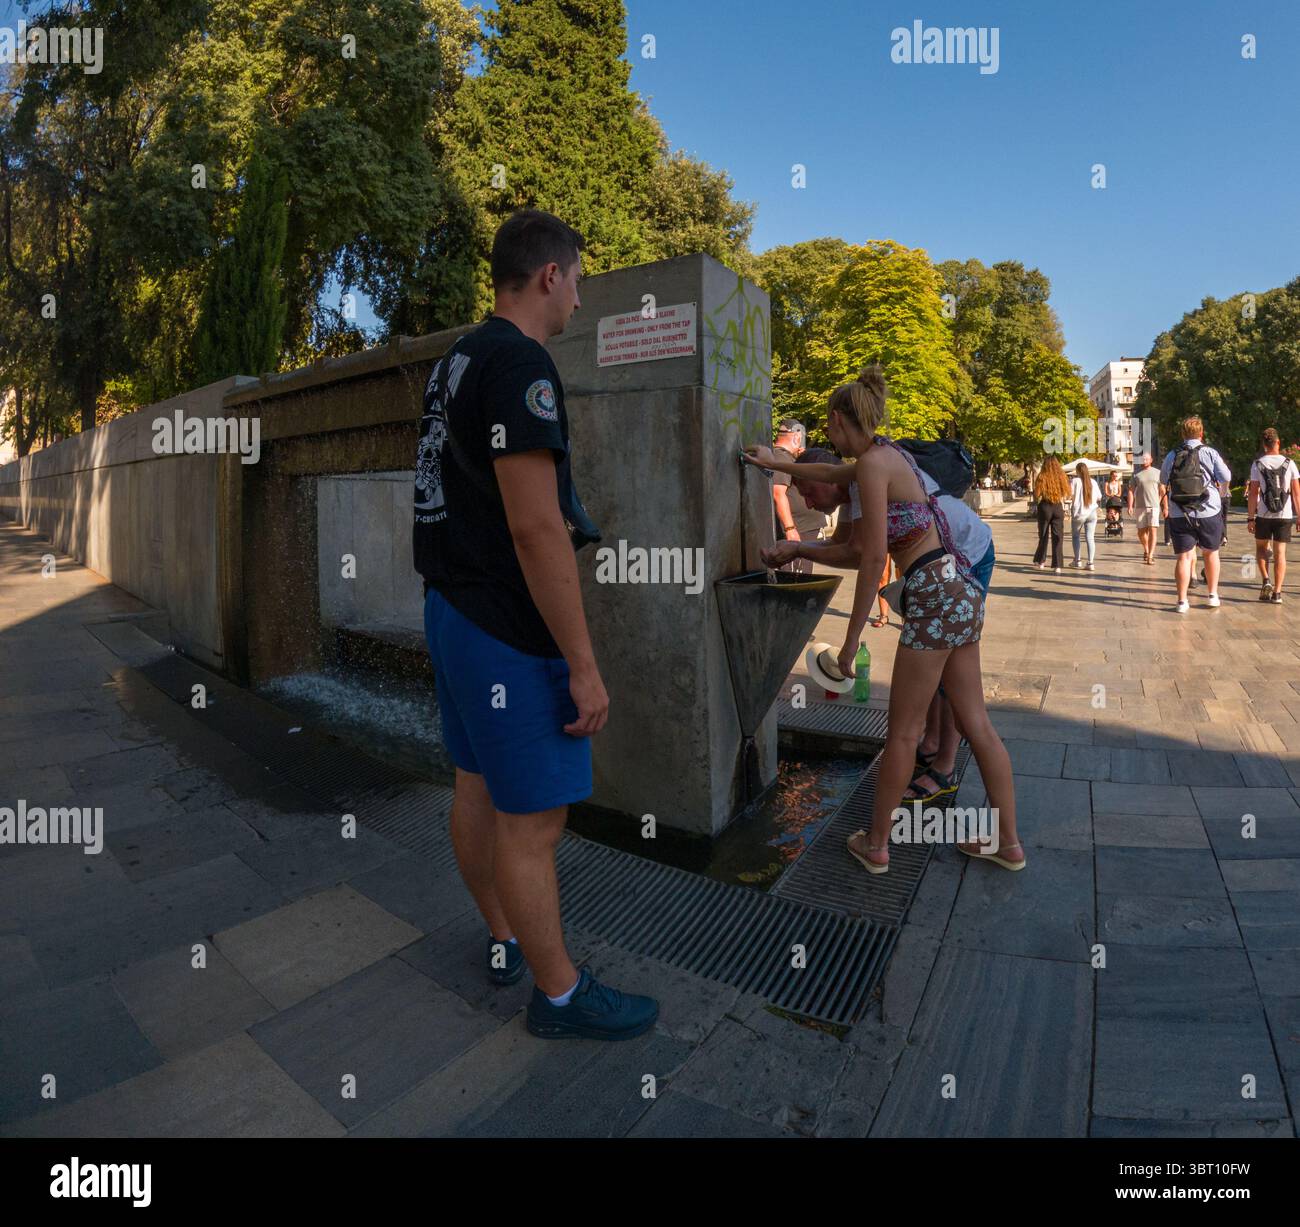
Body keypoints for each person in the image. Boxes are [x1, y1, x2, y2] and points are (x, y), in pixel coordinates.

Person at [413, 208, 657, 1040]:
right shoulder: (522, 364)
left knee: (475, 785)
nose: (582, 300)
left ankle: (503, 932)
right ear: (550, 274)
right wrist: (582, 662)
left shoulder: (456, 359)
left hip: (449, 611)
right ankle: (559, 996)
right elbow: (536, 525)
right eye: (579, 280)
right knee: (536, 823)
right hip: (505, 630)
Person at [745, 367, 1022, 872]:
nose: (824, 434)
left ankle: (875, 845)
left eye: (826, 426)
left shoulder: (873, 466)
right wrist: (773, 461)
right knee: (976, 722)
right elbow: (830, 474)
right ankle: (1008, 844)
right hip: (959, 590)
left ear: (835, 419)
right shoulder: (886, 455)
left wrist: (849, 646)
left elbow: (871, 558)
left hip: (932, 594)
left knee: (902, 730)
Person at [761, 447, 995, 802]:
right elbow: (843, 544)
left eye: (808, 492)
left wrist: (851, 638)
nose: (807, 504)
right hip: (936, 571)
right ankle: (932, 746)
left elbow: (863, 557)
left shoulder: (864, 478)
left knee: (946, 676)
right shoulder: (854, 490)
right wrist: (799, 546)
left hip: (965, 557)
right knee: (938, 675)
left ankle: (943, 768)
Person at [1159, 416, 1231, 613]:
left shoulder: (1172, 454)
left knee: (1183, 557)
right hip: (1209, 510)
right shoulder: (1210, 452)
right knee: (1211, 552)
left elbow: (1163, 479)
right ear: (1201, 433)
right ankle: (1212, 595)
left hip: (1180, 511)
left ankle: (1182, 601)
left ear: (1183, 434)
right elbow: (1226, 477)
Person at [1248, 428, 1300, 604]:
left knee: (1261, 549)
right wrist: (1299, 516)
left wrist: (1250, 518)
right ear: (1278, 443)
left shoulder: (1257, 464)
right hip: (1284, 516)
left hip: (1264, 515)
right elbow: (1296, 494)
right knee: (1280, 554)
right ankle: (1277, 593)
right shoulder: (1290, 463)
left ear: (1264, 445)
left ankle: (1266, 580)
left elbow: (1253, 493)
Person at [771, 420, 825, 575]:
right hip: (798, 529)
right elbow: (778, 493)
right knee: (797, 576)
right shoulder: (781, 458)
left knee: (804, 574)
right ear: (796, 437)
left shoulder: (789, 458)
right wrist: (790, 529)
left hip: (805, 528)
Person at [1032, 456, 1069, 572]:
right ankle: (1057, 565)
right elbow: (1066, 493)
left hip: (1045, 506)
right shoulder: (1062, 476)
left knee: (1043, 535)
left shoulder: (1042, 476)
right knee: (1058, 537)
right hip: (1058, 507)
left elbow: (1037, 494)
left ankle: (1041, 561)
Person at [1128, 453, 1161, 564]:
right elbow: (1131, 491)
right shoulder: (1136, 474)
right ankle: (1146, 549)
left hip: (1154, 506)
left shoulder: (1157, 473)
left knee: (1153, 530)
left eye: (1146, 459)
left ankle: (1150, 555)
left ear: (1151, 460)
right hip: (1140, 506)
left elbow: (1162, 490)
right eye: (1142, 459)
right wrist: (1130, 506)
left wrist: (1160, 502)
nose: (1144, 460)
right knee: (1141, 532)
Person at [1069, 462, 1102, 569]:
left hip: (1079, 513)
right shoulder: (1093, 482)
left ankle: (1077, 560)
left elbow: (1070, 496)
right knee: (1090, 537)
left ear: (1078, 471)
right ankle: (1090, 563)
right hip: (1092, 512)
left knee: (1075, 536)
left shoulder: (1074, 481)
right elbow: (1099, 497)